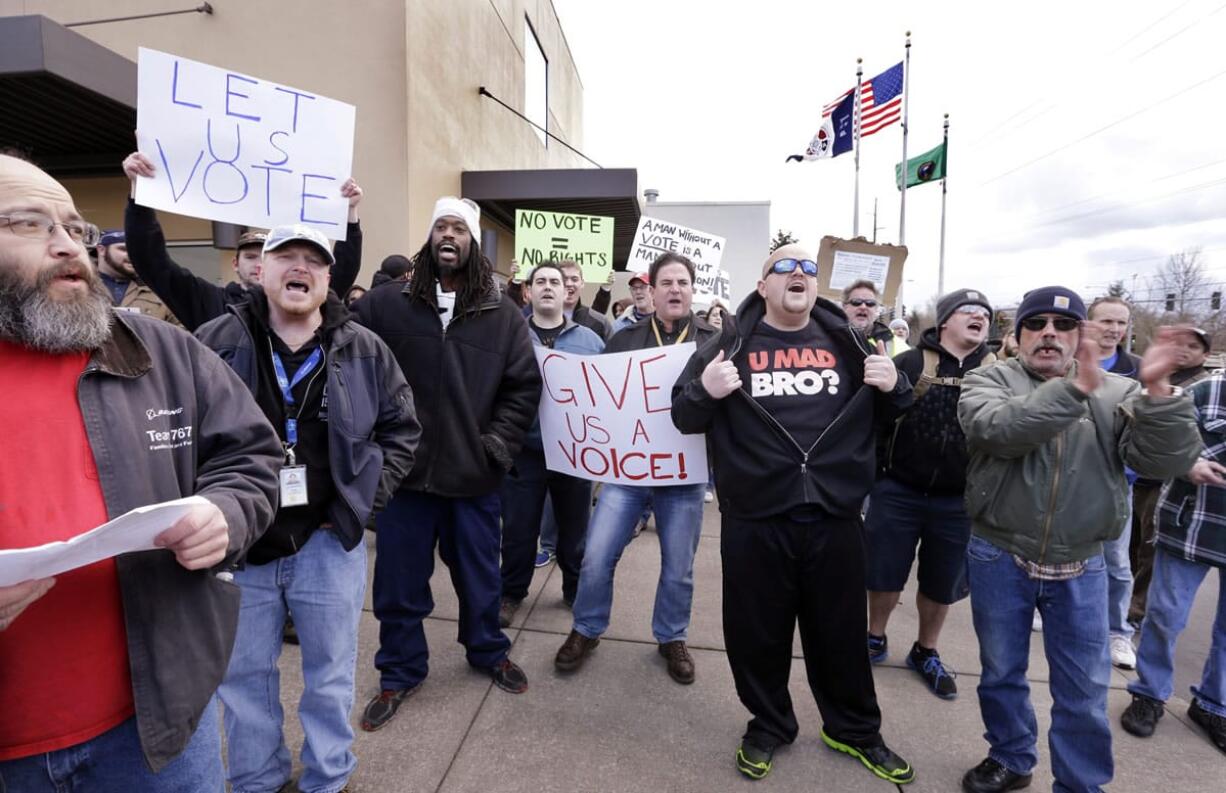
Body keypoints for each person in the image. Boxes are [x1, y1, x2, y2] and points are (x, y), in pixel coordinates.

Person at [0, 153, 282, 791]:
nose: (67, 244)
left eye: (76, 228)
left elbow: (250, 457)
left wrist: (225, 514)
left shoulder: (160, 349)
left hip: (156, 732)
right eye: (31, 224)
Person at [671, 244, 915, 783]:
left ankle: (852, 729)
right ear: (763, 286)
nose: (799, 273)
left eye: (808, 268)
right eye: (785, 266)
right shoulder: (726, 346)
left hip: (834, 513)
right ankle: (770, 723)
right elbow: (684, 415)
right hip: (756, 515)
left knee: (840, 633)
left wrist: (894, 384)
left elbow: (898, 408)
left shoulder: (851, 342)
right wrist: (706, 391)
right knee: (757, 632)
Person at [196, 224, 420, 793]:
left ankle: (328, 776)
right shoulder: (215, 342)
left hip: (326, 543)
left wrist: (364, 503)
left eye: (313, 261)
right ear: (260, 270)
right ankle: (255, 778)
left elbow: (402, 429)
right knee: (243, 679)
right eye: (286, 257)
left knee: (330, 678)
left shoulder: (364, 347)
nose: (300, 268)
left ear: (328, 278)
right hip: (242, 547)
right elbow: (183, 431)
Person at [956, 286, 1200, 793]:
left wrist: (1157, 394)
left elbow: (1162, 463)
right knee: (1001, 672)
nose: (1050, 333)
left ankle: (1079, 783)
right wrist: (1075, 391)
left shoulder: (1118, 390)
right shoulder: (988, 378)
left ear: (1080, 336)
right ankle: (1010, 756)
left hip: (1084, 561)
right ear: (1018, 335)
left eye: (1064, 325)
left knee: (1085, 690)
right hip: (999, 552)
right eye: (1037, 324)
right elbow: (995, 431)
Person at [353, 197, 541, 730]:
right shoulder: (386, 306)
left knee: (482, 580)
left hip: (472, 478)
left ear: (473, 241)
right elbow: (340, 342)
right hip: (405, 480)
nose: (449, 235)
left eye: (459, 227)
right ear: (430, 237)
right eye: (441, 226)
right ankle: (400, 670)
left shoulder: (503, 317)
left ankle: (487, 651)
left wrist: (495, 446)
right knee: (398, 584)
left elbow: (523, 389)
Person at [553, 252, 716, 684]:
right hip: (627, 474)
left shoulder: (715, 342)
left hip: (683, 478)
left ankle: (671, 637)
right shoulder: (624, 340)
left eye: (683, 282)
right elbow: (599, 400)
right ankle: (586, 629)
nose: (675, 289)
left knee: (678, 565)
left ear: (692, 289)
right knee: (596, 555)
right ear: (654, 290)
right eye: (667, 283)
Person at [865, 288, 995, 700]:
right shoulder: (910, 362)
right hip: (898, 491)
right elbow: (875, 419)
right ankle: (874, 637)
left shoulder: (998, 372)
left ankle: (926, 650)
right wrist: (876, 478)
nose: (979, 317)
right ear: (945, 321)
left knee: (941, 583)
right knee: (884, 573)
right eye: (969, 311)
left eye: (985, 314)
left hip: (958, 502)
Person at [120, 151, 365, 331]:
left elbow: (344, 267)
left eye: (265, 256)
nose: (257, 264)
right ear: (237, 264)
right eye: (249, 257)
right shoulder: (212, 303)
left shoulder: (312, 304)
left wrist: (349, 215)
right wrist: (140, 193)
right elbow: (152, 262)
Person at [1120, 372, 1226, 755]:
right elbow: (1159, 441)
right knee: (1165, 616)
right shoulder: (1205, 391)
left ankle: (1214, 705)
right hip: (1191, 525)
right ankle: (1149, 694)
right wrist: (1188, 464)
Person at [498, 263, 604, 627]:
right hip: (523, 453)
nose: (547, 287)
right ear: (527, 291)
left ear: (566, 292)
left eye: (554, 282)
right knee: (518, 530)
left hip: (575, 455)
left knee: (575, 531)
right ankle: (511, 592)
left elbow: (605, 398)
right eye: (540, 281)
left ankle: (574, 590)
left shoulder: (591, 342)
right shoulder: (510, 336)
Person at [1130, 326, 1214, 626]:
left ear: (1205, 354)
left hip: (1172, 488)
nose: (1184, 350)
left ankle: (1137, 609)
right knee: (1132, 545)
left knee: (1150, 552)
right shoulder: (1153, 371)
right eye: (1180, 343)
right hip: (1138, 478)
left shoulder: (1206, 386)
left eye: (1193, 346)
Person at [1085, 296, 1143, 669]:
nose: (1114, 330)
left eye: (1121, 323)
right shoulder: (1068, 362)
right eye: (1106, 321)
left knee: (1117, 562)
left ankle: (1118, 632)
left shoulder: (1136, 369)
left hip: (1117, 482)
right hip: (1072, 476)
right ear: (1089, 323)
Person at [92, 229, 181, 325]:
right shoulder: (80, 285)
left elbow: (182, 334)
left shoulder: (159, 290)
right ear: (101, 250)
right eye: (124, 249)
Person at [559, 260, 611, 340]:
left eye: (574, 279)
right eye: (564, 279)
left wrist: (605, 289)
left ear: (582, 283)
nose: (569, 283)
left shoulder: (600, 323)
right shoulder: (539, 319)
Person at [841, 279, 892, 345]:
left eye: (870, 303)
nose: (863, 307)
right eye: (856, 302)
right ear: (844, 306)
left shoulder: (895, 344)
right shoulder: (828, 338)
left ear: (876, 309)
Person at [610, 270, 654, 335]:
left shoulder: (667, 319)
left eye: (642, 287)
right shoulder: (618, 326)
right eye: (634, 288)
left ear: (652, 290)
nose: (638, 292)